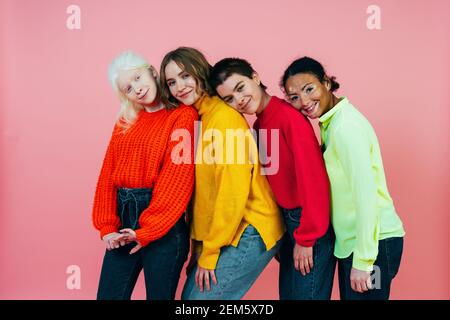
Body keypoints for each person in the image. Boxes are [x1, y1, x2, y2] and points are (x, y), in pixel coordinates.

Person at [160, 47, 285, 300]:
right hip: (227, 229)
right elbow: (205, 192)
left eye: (185, 76)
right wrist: (199, 245)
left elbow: (231, 193)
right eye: (171, 82)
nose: (179, 87)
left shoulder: (224, 119)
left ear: (199, 71)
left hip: (250, 226)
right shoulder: (200, 116)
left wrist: (210, 251)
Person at [210, 57, 335, 300]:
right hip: (289, 224)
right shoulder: (259, 125)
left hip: (307, 223)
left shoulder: (288, 117)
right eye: (229, 99)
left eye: (240, 87)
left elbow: (314, 181)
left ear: (255, 77)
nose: (239, 99)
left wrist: (307, 239)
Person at [281, 56, 405, 300]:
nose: (304, 101)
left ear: (326, 83)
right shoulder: (332, 122)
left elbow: (365, 193)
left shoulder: (345, 127)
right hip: (355, 243)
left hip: (374, 245)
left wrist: (364, 260)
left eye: (309, 89)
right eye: (294, 97)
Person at [92, 50, 197, 300]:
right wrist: (106, 227)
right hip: (124, 221)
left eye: (138, 78)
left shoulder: (183, 115)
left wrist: (147, 229)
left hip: (165, 226)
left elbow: (177, 179)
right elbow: (108, 174)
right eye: (128, 88)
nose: (137, 89)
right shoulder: (126, 121)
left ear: (151, 71)